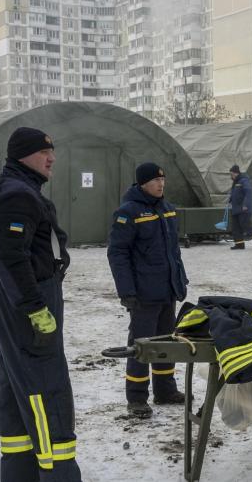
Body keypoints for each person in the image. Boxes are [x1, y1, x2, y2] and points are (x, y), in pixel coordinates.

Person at [0, 127, 81, 481]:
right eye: (44, 153)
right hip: (28, 307)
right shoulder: (16, 196)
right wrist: (34, 307)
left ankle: (20, 473)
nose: (52, 158)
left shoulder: (19, 190)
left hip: (18, 304)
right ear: (23, 155)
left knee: (15, 393)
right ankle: (58, 474)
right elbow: (10, 258)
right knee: (46, 393)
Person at [106, 162, 189, 418]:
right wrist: (126, 291)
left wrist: (180, 280)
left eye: (163, 180)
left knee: (166, 342)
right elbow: (117, 253)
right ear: (142, 183)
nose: (161, 184)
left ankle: (165, 390)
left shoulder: (168, 210)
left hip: (167, 290)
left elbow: (173, 252)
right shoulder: (128, 213)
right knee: (141, 346)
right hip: (143, 293)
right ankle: (137, 398)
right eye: (155, 180)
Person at [228, 165, 252, 250]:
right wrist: (230, 200)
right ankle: (239, 244)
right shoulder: (235, 182)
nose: (231, 176)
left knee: (246, 226)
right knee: (236, 228)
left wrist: (245, 205)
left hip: (243, 209)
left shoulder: (244, 180)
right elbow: (235, 193)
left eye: (232, 174)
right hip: (236, 209)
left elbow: (248, 192)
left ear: (236, 173)